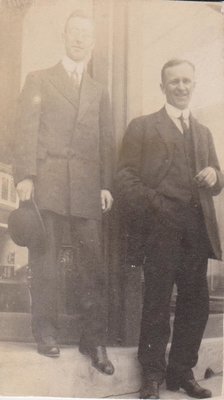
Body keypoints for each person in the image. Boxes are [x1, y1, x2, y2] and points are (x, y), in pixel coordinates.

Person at [12, 10, 115, 375]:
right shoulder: (39, 79)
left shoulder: (99, 90)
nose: (80, 40)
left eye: (86, 35)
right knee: (45, 262)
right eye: (74, 33)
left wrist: (105, 184)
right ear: (64, 36)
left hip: (86, 188)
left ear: (93, 41)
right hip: (50, 183)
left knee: (93, 268)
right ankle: (47, 332)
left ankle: (94, 340)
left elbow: (105, 141)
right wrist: (25, 174)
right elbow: (25, 129)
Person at [116, 59, 224, 398]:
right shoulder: (143, 126)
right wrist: (156, 204)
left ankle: (181, 372)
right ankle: (151, 376)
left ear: (194, 85)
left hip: (195, 233)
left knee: (196, 305)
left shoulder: (203, 132)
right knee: (157, 304)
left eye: (186, 81)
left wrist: (214, 175)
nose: (181, 86)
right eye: (174, 81)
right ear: (162, 87)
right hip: (159, 231)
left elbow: (218, 179)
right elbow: (124, 178)